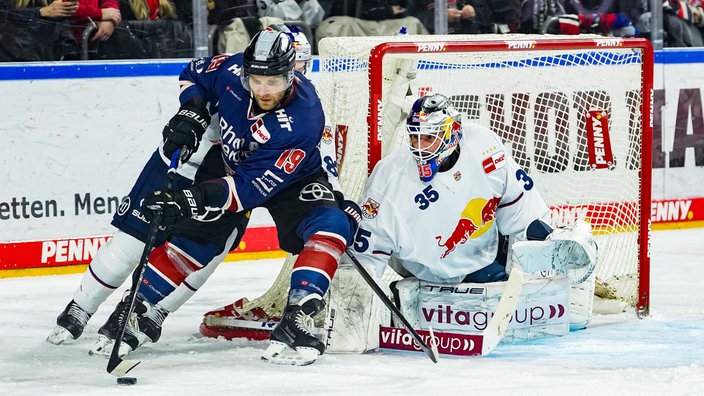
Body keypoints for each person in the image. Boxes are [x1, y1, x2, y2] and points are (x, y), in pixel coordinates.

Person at [94, 28, 360, 365]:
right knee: (195, 240)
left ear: (291, 75)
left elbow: (248, 190)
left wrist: (190, 199)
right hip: (232, 167)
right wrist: (192, 110)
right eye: (257, 81)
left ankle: (297, 317)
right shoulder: (232, 70)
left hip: (291, 180)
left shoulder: (303, 119)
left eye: (274, 82)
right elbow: (194, 73)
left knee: (332, 224)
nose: (264, 90)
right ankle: (134, 309)